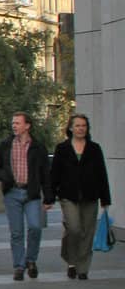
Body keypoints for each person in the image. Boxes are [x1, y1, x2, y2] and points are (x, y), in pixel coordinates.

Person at [0, 110, 54, 281]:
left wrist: (48, 197)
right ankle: (19, 266)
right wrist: (5, 177)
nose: (14, 126)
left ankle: (31, 260)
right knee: (16, 232)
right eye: (13, 123)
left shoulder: (38, 147)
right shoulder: (6, 144)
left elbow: (46, 173)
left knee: (35, 227)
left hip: (31, 193)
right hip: (12, 192)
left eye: (17, 123)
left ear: (27, 126)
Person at [50, 112, 112, 280]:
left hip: (90, 195)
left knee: (87, 232)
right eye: (77, 125)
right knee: (74, 228)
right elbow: (54, 173)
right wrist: (49, 197)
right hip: (68, 195)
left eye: (83, 126)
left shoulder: (94, 149)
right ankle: (71, 261)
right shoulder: (62, 149)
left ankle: (82, 268)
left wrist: (106, 199)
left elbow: (102, 174)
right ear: (71, 128)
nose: (80, 129)